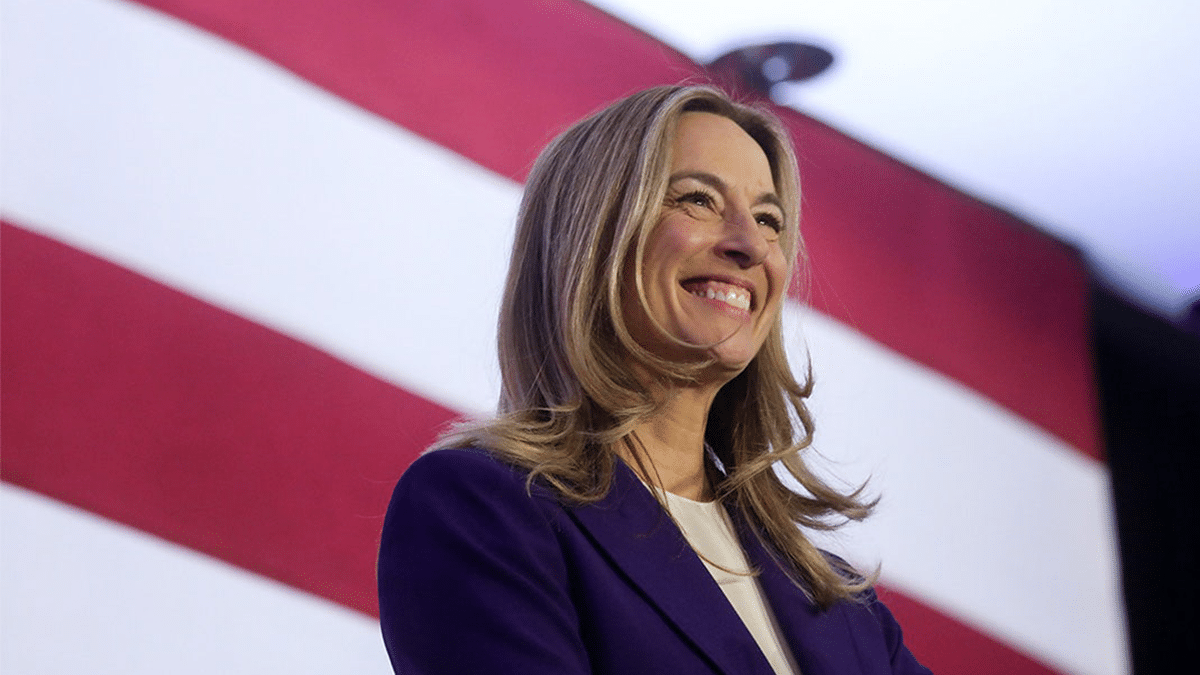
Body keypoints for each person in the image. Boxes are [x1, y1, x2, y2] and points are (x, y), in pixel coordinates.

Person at [378, 84, 932, 674]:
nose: (750, 244)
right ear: (592, 236)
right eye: (697, 200)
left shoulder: (846, 607)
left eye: (769, 220)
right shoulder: (483, 509)